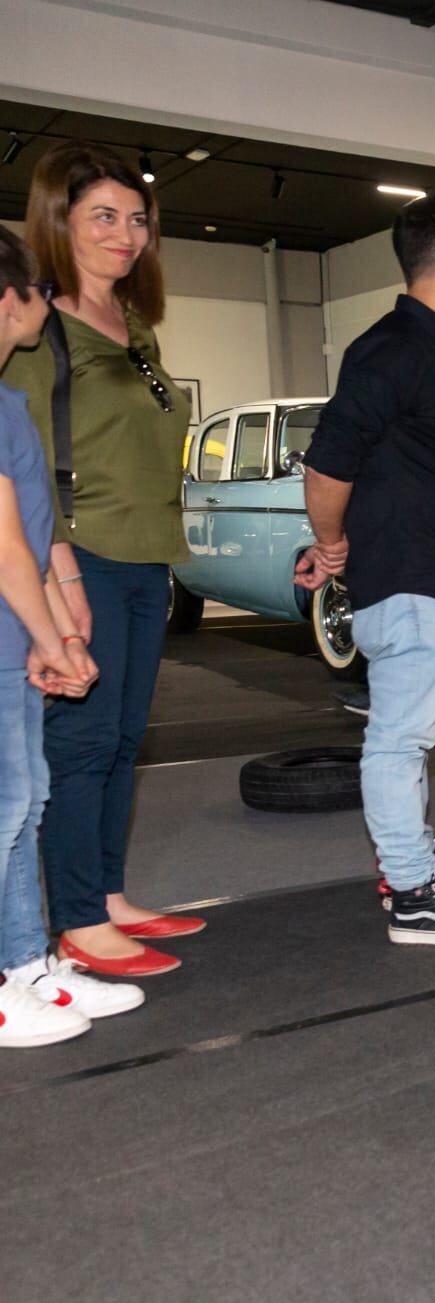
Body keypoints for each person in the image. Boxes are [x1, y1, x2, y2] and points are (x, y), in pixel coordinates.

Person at [296, 195, 435, 946]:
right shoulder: (393, 348)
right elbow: (328, 462)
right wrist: (329, 547)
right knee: (398, 740)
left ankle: (413, 867)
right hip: (413, 575)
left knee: (412, 738)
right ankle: (414, 893)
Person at [1, 142, 197, 976]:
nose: (126, 235)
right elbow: (23, 465)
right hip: (84, 553)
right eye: (103, 218)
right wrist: (60, 574)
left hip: (149, 554)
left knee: (121, 739)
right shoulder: (42, 334)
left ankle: (108, 892)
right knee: (79, 742)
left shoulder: (138, 329)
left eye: (137, 219)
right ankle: (77, 915)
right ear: (60, 223)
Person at [0, 223, 139, 1045]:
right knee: (8, 801)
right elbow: (7, 542)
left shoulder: (10, 401)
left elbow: (29, 531)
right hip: (8, 633)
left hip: (14, 637)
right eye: (35, 292)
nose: (44, 307)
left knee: (27, 797)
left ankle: (23, 963)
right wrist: (53, 639)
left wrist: (53, 635)